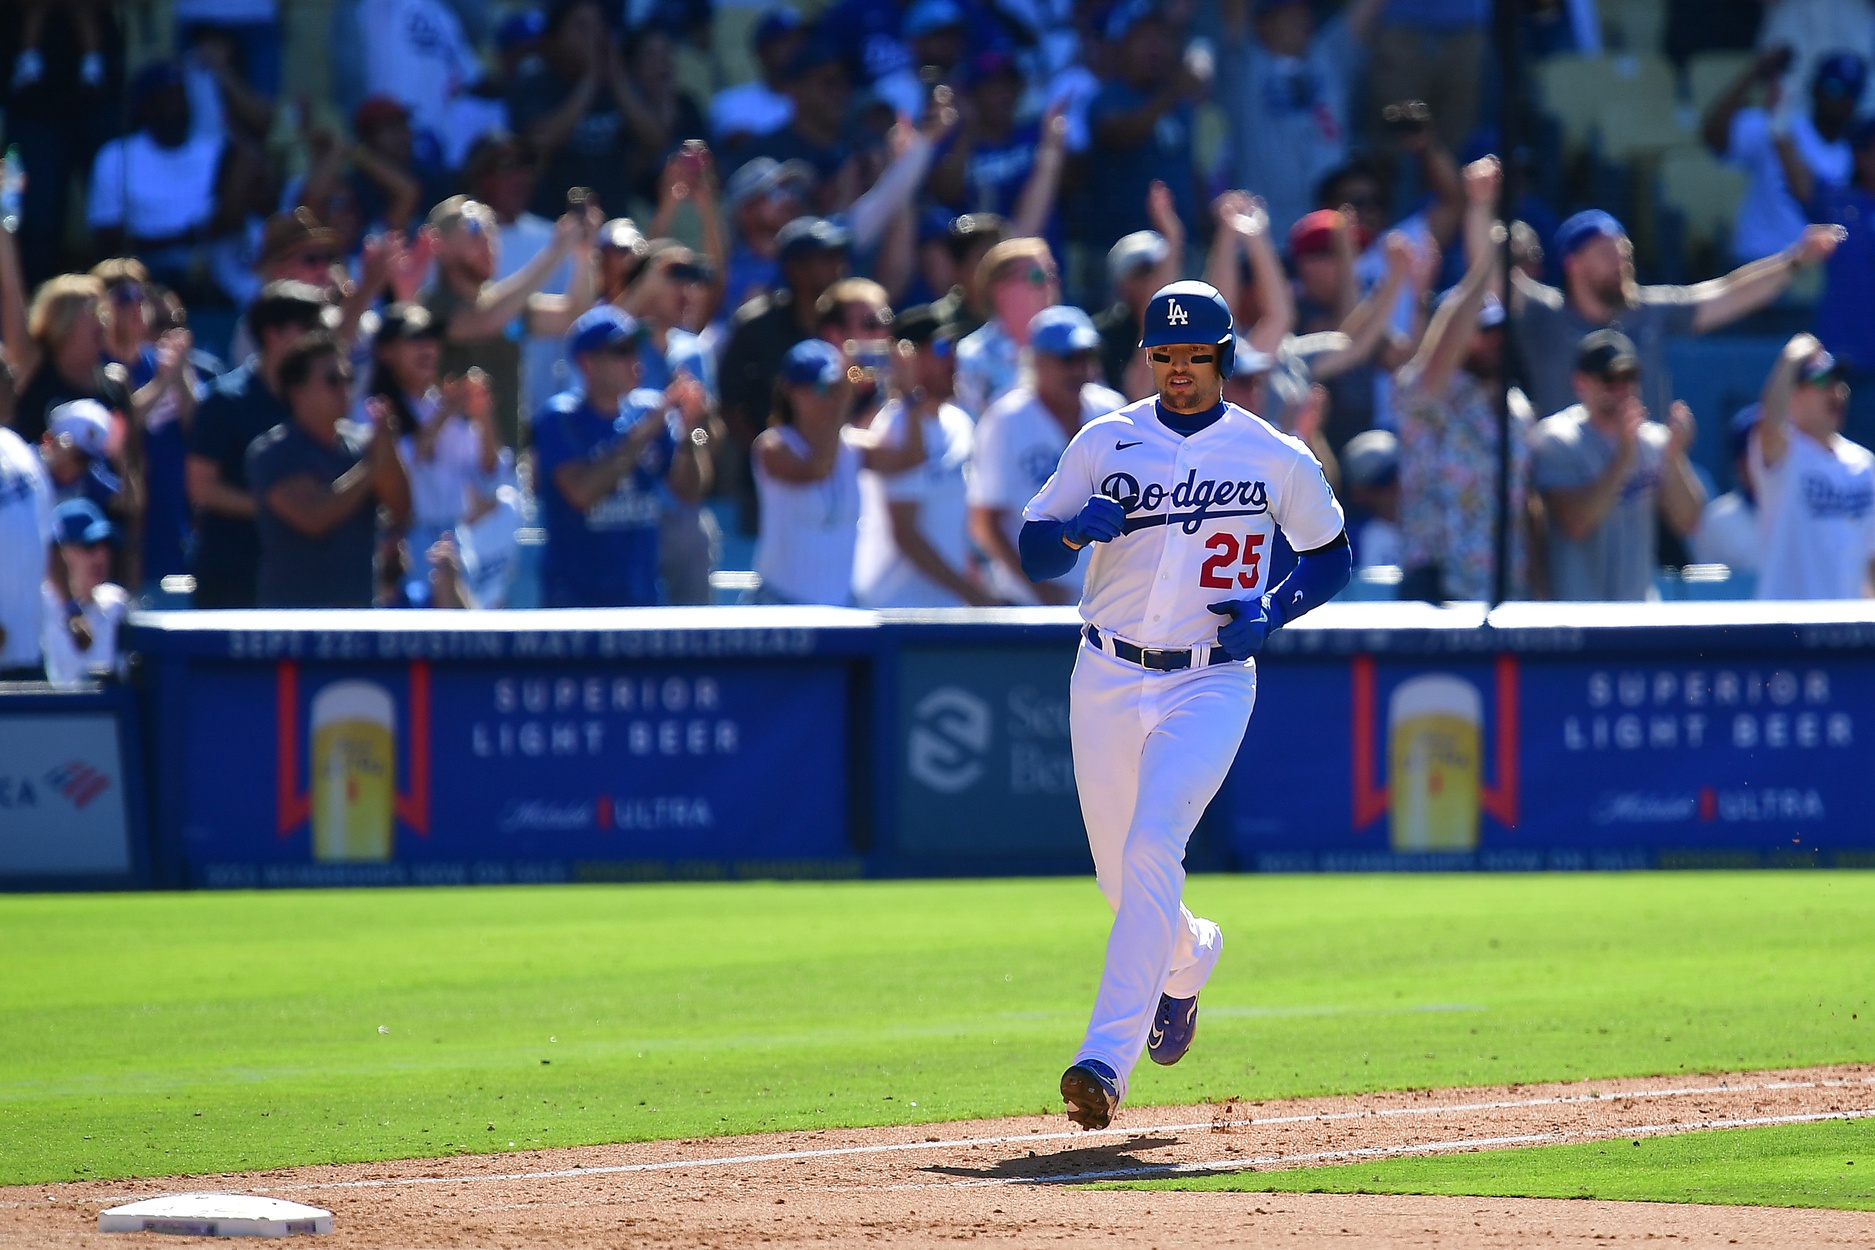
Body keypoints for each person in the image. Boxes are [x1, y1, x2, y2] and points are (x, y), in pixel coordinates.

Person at [1016, 281, 1350, 1130]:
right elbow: (1033, 546)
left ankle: (1103, 1061)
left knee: (1154, 840)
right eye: (1163, 355)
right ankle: (1191, 956)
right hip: (1106, 669)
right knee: (1117, 877)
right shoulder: (1107, 439)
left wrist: (1273, 608)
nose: (1177, 369)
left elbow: (1330, 554)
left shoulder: (1271, 452)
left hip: (1209, 678)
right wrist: (1068, 532)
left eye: (1194, 355)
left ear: (1222, 359)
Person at [1501, 203, 1845, 427]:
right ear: (1572, 263)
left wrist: (1795, 260)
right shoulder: (1543, 315)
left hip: (1643, 482)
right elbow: (1491, 280)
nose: (1620, 260)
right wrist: (1483, 206)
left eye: (1624, 251)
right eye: (1606, 252)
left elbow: (1729, 293)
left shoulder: (1652, 310)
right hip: (1567, 487)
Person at [1395, 206, 1533, 603]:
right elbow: (1442, 350)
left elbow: (1526, 504)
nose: (1493, 341)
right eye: (1482, 332)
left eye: (1498, 332)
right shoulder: (1426, 391)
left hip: (1506, 584)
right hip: (1435, 583)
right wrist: (1485, 259)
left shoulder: (1517, 405)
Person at [532, 306, 712, 607]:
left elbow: (690, 492)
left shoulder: (648, 410)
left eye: (635, 349)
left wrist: (692, 432)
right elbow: (581, 493)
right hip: (574, 605)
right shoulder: (559, 418)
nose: (634, 361)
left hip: (639, 601)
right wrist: (645, 431)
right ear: (587, 363)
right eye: (621, 351)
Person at [1529, 330, 1706, 602]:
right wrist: (1623, 458)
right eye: (1610, 379)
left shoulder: (1653, 441)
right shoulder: (1558, 439)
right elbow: (1576, 523)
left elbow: (1689, 521)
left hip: (1638, 617)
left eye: (1629, 377)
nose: (1621, 388)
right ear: (1581, 383)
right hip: (1575, 617)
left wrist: (1673, 457)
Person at [750, 338, 929, 604]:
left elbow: (912, 458)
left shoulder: (851, 446)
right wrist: (845, 403)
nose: (831, 397)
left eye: (835, 387)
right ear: (790, 391)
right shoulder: (772, 446)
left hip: (838, 608)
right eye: (821, 388)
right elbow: (819, 469)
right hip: (780, 605)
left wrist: (909, 395)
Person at [186, 281, 328, 608]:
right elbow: (201, 486)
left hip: (298, 575)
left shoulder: (314, 402)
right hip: (232, 576)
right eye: (309, 328)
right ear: (272, 334)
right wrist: (275, 508)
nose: (320, 339)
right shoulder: (225, 402)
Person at [971, 305, 1124, 605]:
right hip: (1026, 604)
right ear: (1037, 362)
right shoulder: (1005, 421)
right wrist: (1039, 588)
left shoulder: (1112, 411)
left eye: (1086, 357)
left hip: (1104, 603)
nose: (1079, 369)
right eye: (1068, 359)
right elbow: (984, 523)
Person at [246, 332, 412, 608]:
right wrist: (373, 464)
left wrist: (388, 450)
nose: (345, 389)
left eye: (348, 378)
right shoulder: (272, 452)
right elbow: (315, 518)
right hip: (291, 622)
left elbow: (402, 510)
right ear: (297, 391)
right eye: (333, 380)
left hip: (356, 617)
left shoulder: (361, 446)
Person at [419, 195, 596, 449]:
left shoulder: (504, 306)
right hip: (453, 467)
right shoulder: (430, 308)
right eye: (475, 229)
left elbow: (574, 317)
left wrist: (582, 255)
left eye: (492, 229)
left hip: (507, 463)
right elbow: (487, 320)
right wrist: (556, 251)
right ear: (440, 245)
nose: (489, 241)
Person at [719, 215, 851, 527]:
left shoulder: (846, 323)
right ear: (795, 268)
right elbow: (729, 402)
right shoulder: (754, 325)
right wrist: (765, 454)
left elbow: (860, 383)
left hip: (840, 471)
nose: (839, 265)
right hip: (770, 480)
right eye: (827, 257)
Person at [365, 304, 501, 601]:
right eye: (414, 339)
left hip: (454, 539)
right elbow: (403, 466)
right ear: (387, 352)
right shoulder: (372, 409)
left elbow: (487, 471)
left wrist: (483, 413)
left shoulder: (440, 404)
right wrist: (446, 411)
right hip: (403, 546)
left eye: (432, 338)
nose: (427, 347)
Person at [1217, 0, 1386, 237]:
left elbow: (1365, 10)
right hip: (1266, 235)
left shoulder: (1328, 57)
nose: (1300, 19)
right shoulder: (1245, 66)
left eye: (1303, 12)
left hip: (1331, 235)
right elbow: (1233, 14)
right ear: (1262, 24)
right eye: (1288, 13)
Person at [853, 306, 986, 607]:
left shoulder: (959, 422)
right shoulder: (895, 425)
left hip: (946, 610)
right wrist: (973, 594)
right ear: (908, 357)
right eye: (941, 348)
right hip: (896, 613)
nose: (953, 360)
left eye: (954, 348)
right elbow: (905, 534)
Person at [507, 0, 669, 220]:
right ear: (556, 37)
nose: (592, 36)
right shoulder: (536, 84)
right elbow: (539, 140)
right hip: (554, 224)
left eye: (597, 25)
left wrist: (617, 81)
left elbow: (655, 139)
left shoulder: (618, 87)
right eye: (581, 26)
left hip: (611, 224)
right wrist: (589, 81)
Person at [1703, 47, 1865, 263]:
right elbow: (1713, 135)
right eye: (1833, 89)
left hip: (1814, 273)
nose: (1841, 101)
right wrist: (1754, 74)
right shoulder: (1780, 123)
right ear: (1815, 88)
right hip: (1756, 261)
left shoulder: (1860, 154)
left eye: (1851, 92)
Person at [1749, 333, 1875, 599]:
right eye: (1822, 381)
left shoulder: (1864, 463)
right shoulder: (1785, 452)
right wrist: (1790, 359)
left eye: (1838, 382)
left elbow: (1870, 559)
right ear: (1792, 396)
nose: (1836, 392)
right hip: (1784, 628)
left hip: (1846, 631)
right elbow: (1770, 423)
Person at [85, 62, 225, 287]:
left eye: (180, 96)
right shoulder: (114, 156)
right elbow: (105, 234)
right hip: (141, 271)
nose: (177, 106)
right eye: (167, 97)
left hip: (209, 272)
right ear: (145, 105)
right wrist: (178, 240)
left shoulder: (215, 152)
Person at [1082, 1, 1204, 245]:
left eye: (1161, 38)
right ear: (1122, 46)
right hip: (1123, 249)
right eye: (1144, 39)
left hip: (1181, 244)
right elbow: (1120, 134)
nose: (1154, 49)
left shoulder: (1180, 103)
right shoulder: (1108, 98)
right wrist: (1171, 95)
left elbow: (1189, 168)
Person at [953, 237, 1059, 418]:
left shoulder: (1070, 347)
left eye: (1052, 274)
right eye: (1037, 276)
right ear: (1001, 289)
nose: (1049, 285)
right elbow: (968, 425)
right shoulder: (972, 355)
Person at [39, 498, 128, 686]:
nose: (101, 556)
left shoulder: (116, 605)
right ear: (61, 553)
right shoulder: (38, 606)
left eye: (105, 545)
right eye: (89, 546)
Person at [711, 6, 804, 153]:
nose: (795, 49)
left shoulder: (821, 102)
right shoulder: (732, 103)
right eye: (785, 41)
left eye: (800, 41)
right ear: (761, 51)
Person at [1689, 403, 1763, 576]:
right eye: (1759, 452)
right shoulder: (1718, 520)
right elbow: (1706, 594)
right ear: (1740, 464)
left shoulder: (1806, 512)